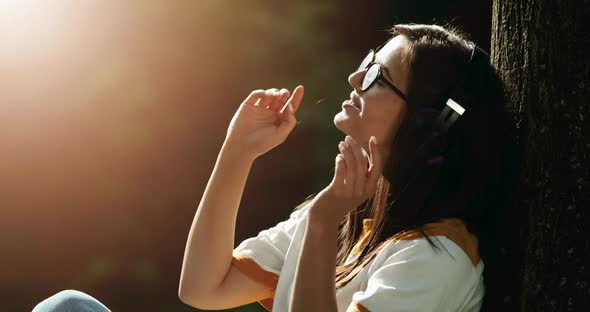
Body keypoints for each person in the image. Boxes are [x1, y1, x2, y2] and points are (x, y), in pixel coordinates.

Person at [33, 23, 516, 312]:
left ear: (425, 129)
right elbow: (202, 287)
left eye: (377, 76)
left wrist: (325, 221)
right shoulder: (349, 223)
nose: (354, 76)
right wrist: (237, 151)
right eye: (367, 61)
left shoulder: (439, 260)